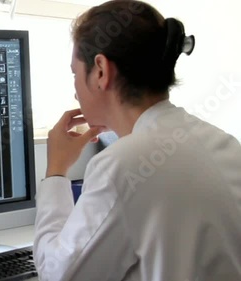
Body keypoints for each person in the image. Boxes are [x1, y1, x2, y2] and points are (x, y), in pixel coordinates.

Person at [33, 1, 241, 281]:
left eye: (74, 73)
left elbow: (57, 274)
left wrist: (56, 170)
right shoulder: (224, 143)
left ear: (101, 71)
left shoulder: (122, 165)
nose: (75, 91)